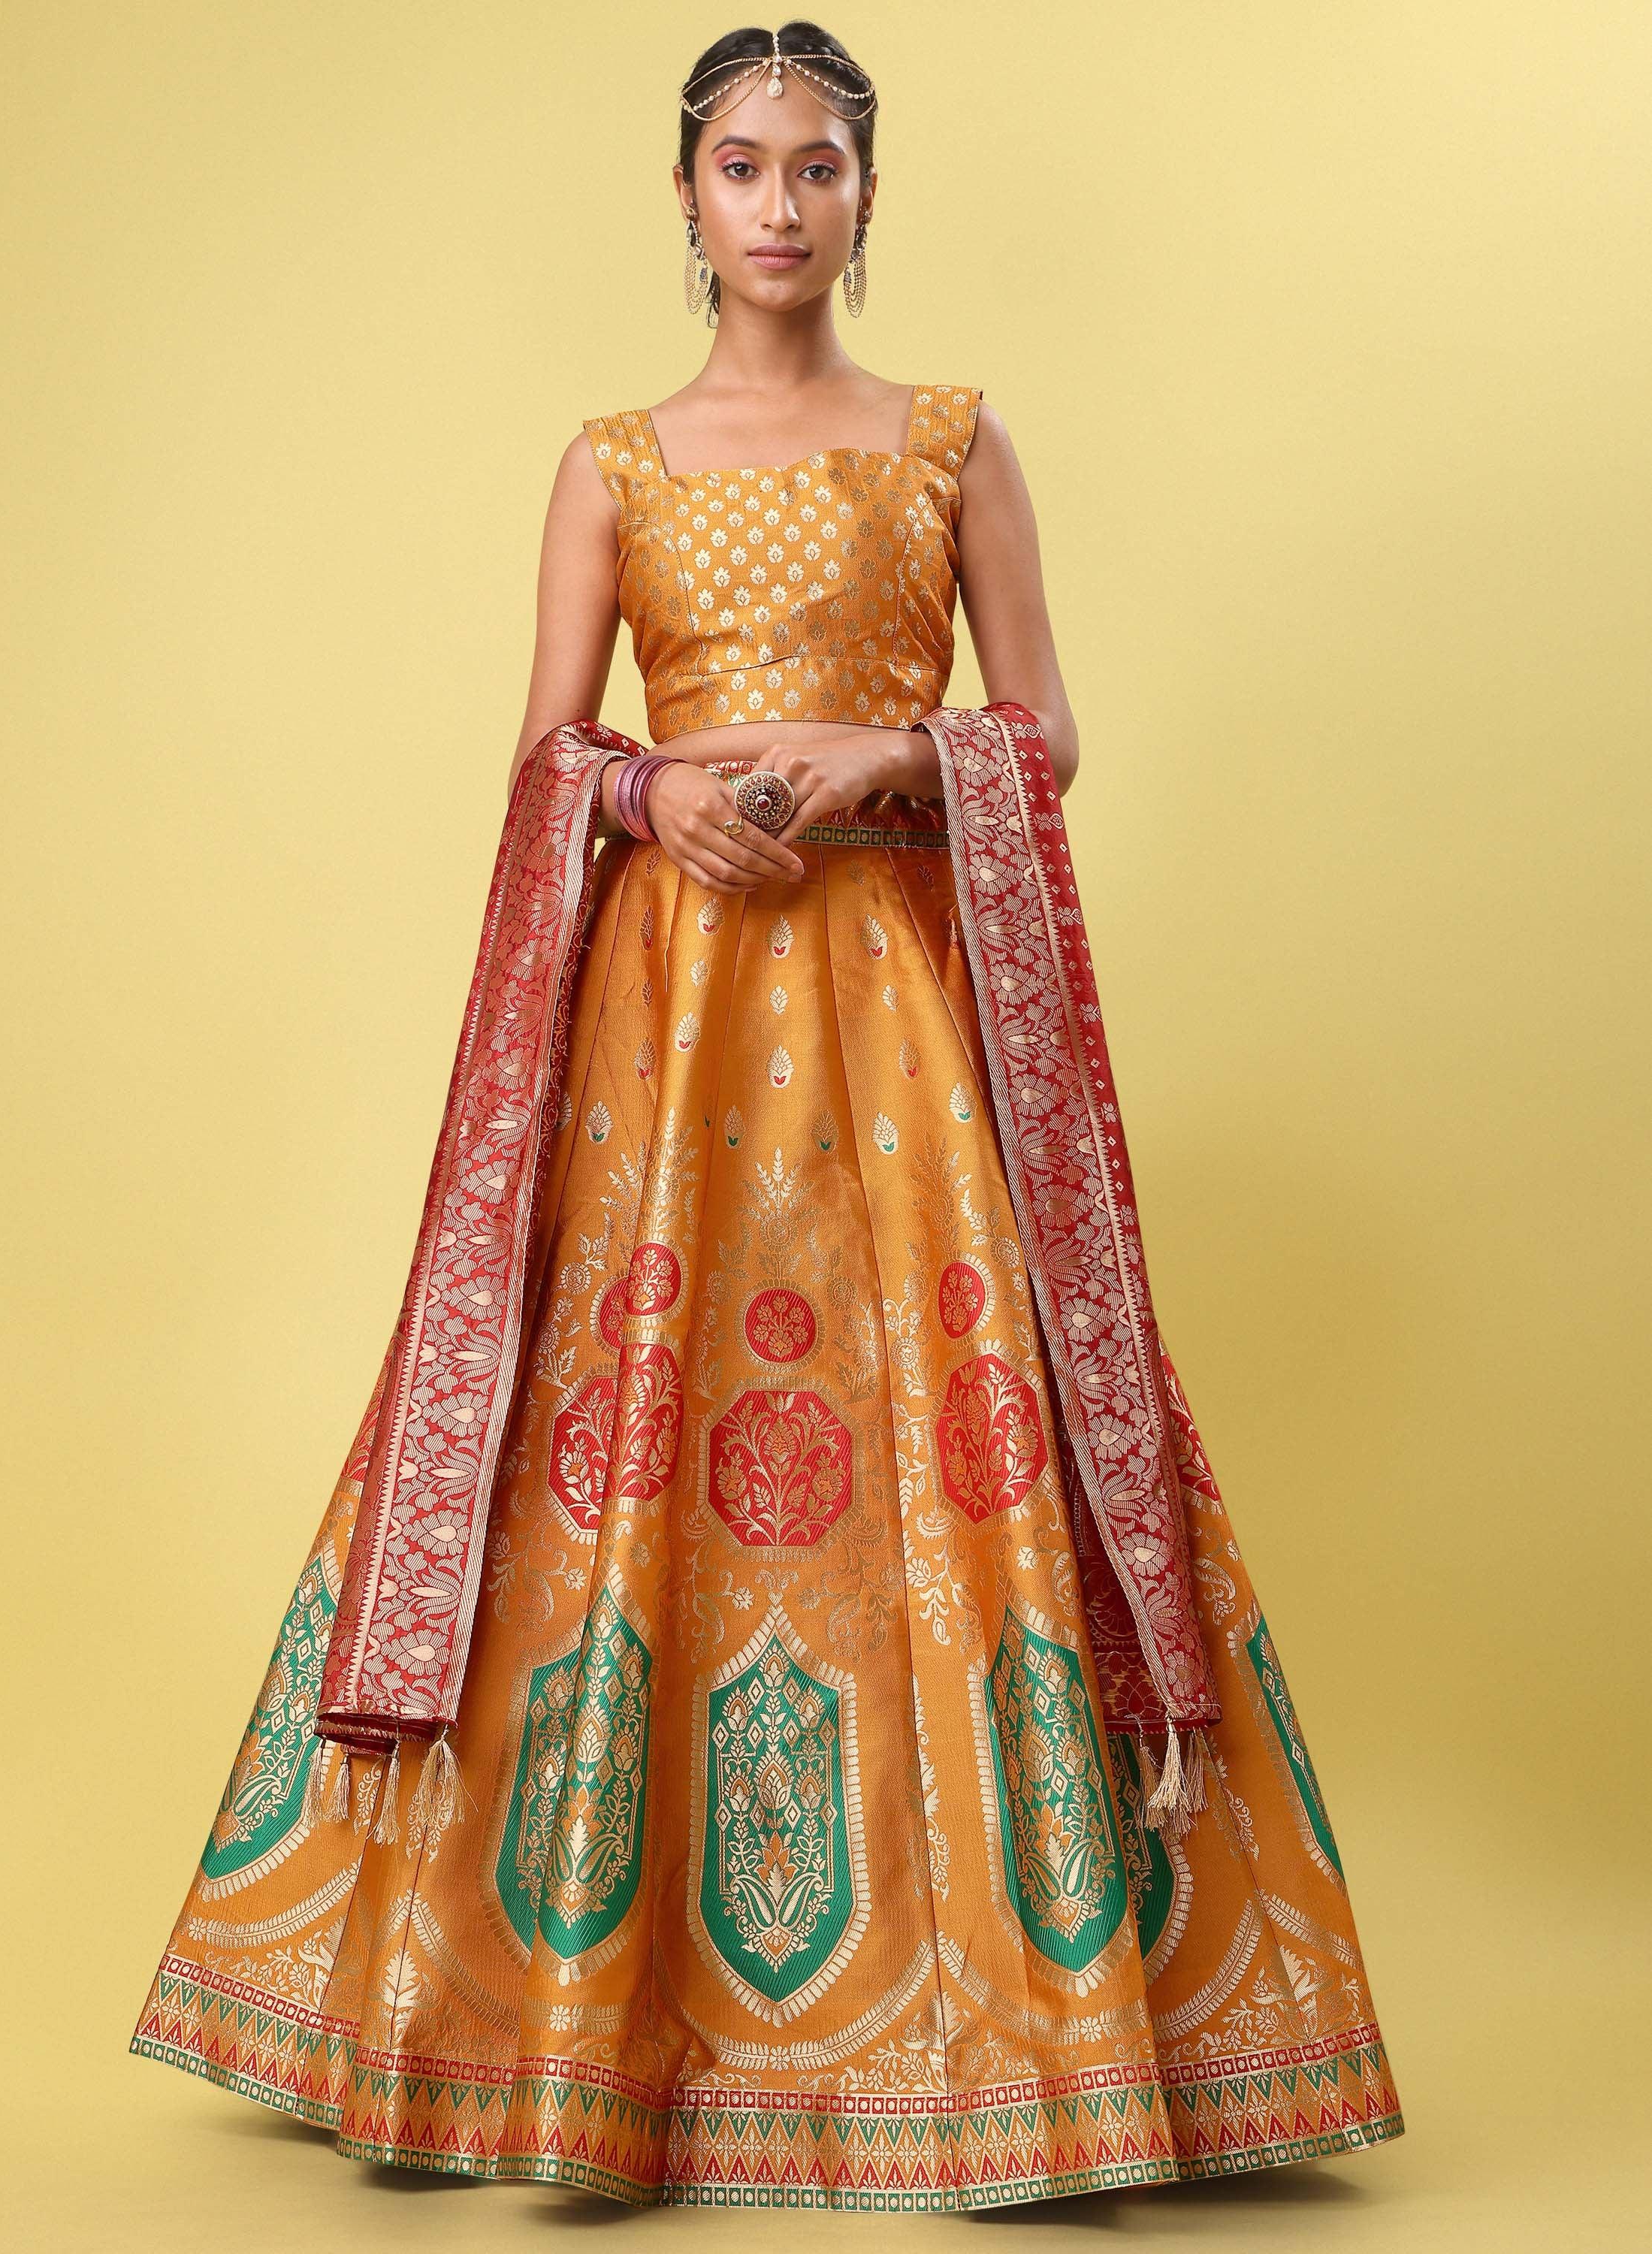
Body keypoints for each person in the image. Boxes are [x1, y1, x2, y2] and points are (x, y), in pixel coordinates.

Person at [130, 20, 1403, 2209]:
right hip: (672, 1015)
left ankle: (1040, 2034)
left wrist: (885, 760)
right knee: (621, 1430)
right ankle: (536, 2033)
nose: (782, 203)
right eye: (742, 164)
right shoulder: (610, 466)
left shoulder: (952, 444)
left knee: (949, 1426)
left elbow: (1040, 728)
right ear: (688, 196)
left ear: (867, 195)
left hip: (897, 1003)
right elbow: (549, 753)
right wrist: (649, 796)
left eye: (819, 165)